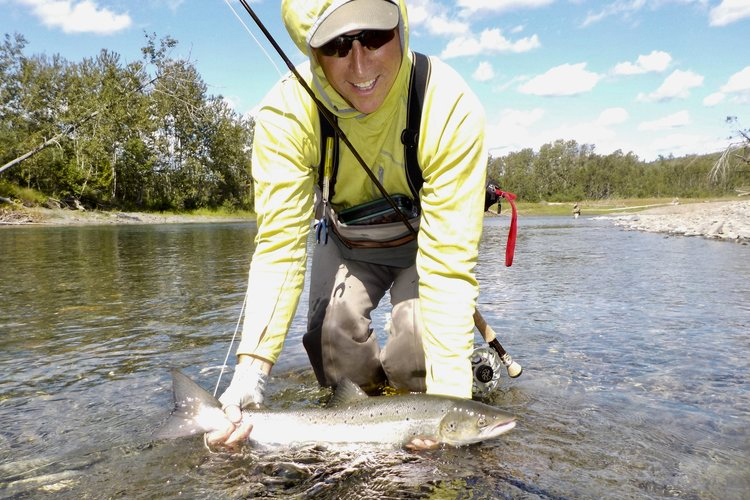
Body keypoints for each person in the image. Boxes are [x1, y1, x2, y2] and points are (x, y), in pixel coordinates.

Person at [209, 0, 488, 446]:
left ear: (402, 28)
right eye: (337, 45)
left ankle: (409, 440)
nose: (360, 65)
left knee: (418, 340)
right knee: (332, 335)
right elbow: (280, 250)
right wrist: (251, 372)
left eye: (375, 38)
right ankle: (354, 424)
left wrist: (446, 411)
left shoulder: (449, 105)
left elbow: (449, 272)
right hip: (345, 243)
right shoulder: (285, 113)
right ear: (312, 52)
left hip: (421, 249)